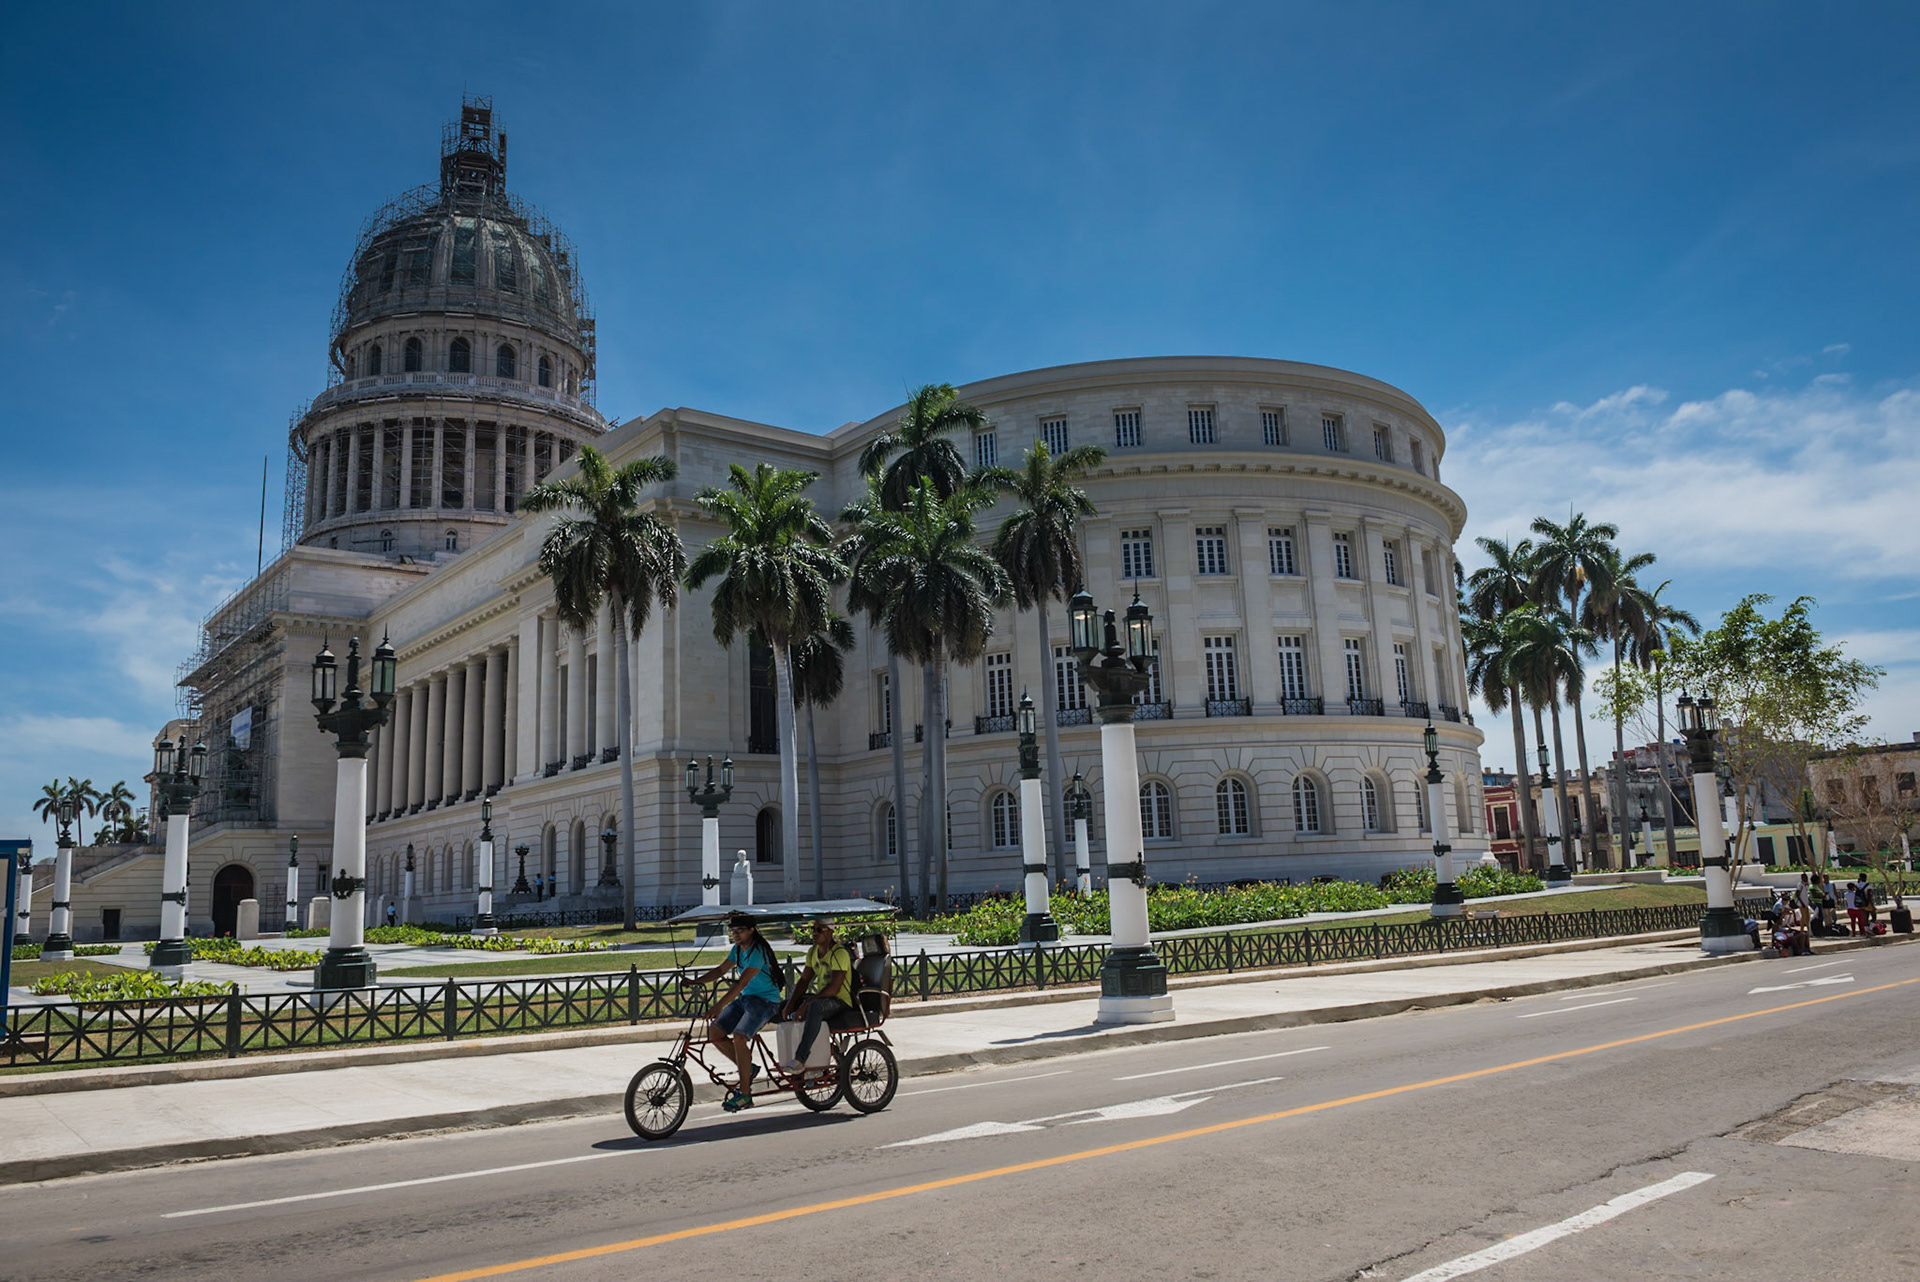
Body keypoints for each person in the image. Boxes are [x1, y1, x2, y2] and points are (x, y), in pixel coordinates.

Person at [689, 911, 786, 1111]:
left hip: (766, 1002)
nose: (735, 934)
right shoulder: (737, 950)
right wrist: (696, 982)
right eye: (732, 931)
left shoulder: (758, 951)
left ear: (752, 930)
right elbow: (720, 970)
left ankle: (745, 1095)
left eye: (740, 930)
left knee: (740, 1036)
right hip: (746, 999)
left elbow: (742, 983)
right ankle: (748, 1068)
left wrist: (718, 1006)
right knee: (714, 1031)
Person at [777, 917, 853, 1073]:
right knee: (782, 1007)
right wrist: (791, 1004)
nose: (814, 933)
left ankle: (800, 1058)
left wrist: (806, 1004)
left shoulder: (839, 953)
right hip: (822, 998)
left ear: (830, 931)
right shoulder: (813, 952)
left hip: (839, 1001)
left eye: (819, 929)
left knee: (814, 1006)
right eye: (813, 929)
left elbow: (834, 989)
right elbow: (804, 980)